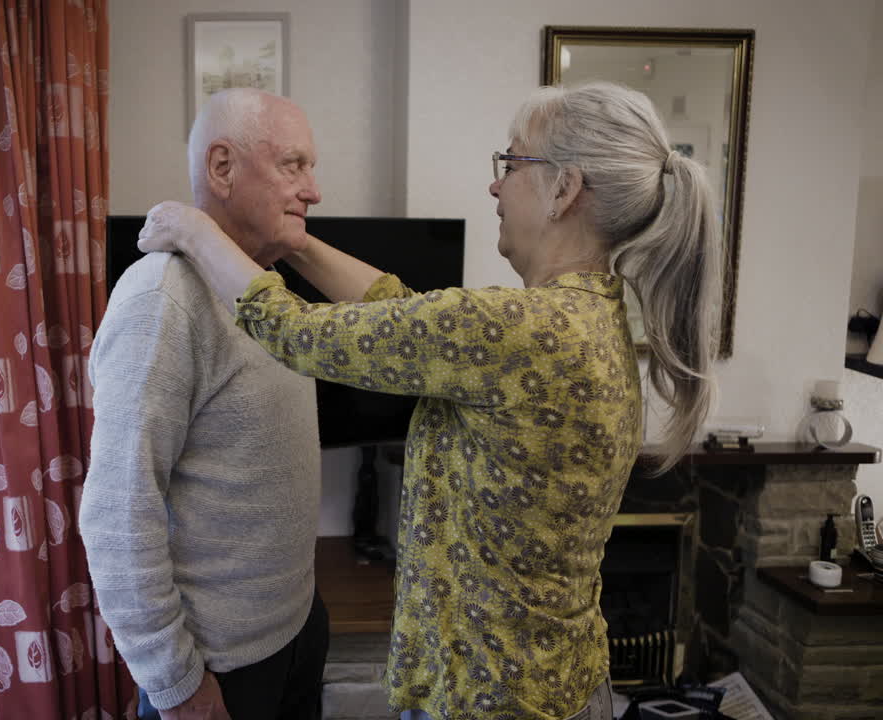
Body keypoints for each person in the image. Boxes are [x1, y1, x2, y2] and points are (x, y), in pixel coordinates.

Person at [138, 81, 722, 719]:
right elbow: (407, 317)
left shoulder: (526, 329)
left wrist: (194, 230)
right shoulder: (588, 317)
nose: (495, 186)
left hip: (496, 699)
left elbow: (295, 331)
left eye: (511, 163)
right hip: (555, 681)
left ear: (564, 189)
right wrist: (297, 243)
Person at [79, 88, 328, 720]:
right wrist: (175, 683)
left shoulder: (267, 290)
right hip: (221, 666)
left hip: (297, 628)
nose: (314, 190)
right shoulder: (161, 299)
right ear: (222, 168)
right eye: (293, 166)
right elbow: (117, 514)